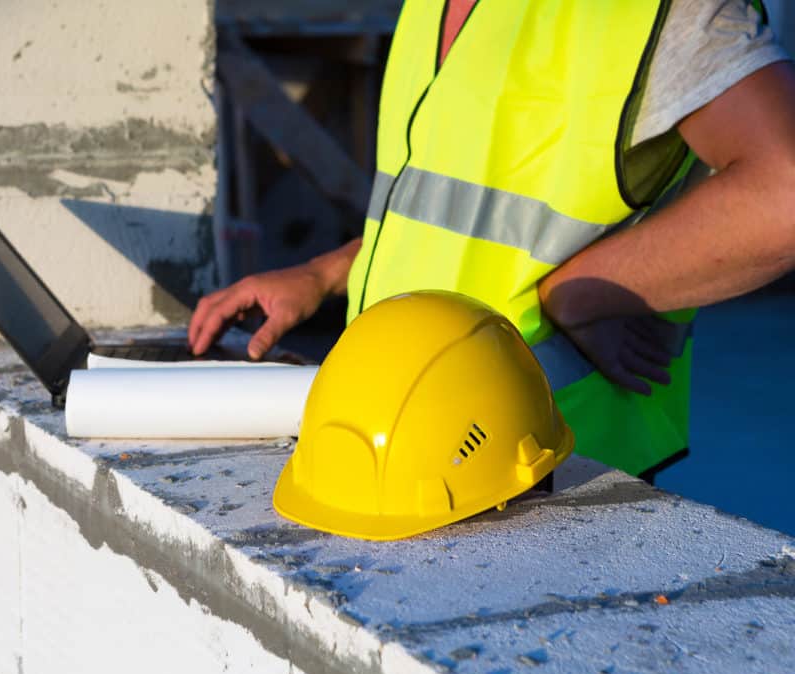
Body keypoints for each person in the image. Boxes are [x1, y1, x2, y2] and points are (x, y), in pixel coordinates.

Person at [189, 0, 795, 481]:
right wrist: (326, 273)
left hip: (544, 476)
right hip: (392, 441)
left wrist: (581, 292)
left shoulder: (656, 10)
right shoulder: (434, 7)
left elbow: (784, 193)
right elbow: (471, 213)